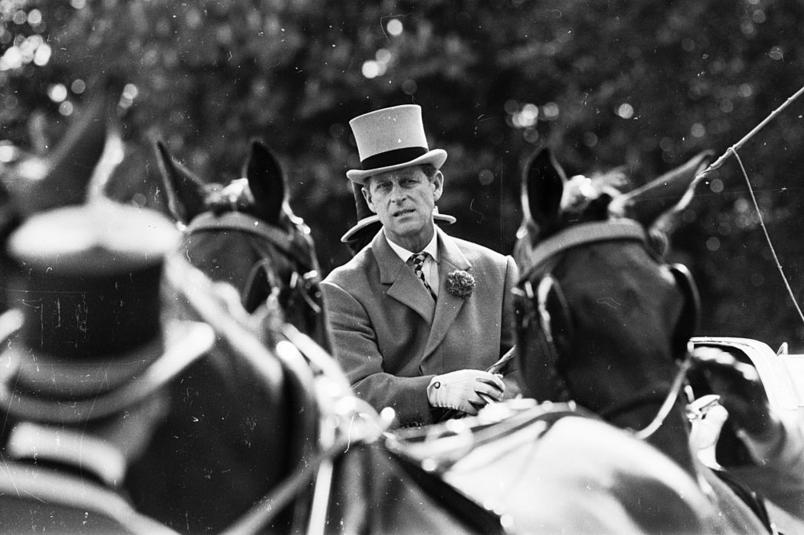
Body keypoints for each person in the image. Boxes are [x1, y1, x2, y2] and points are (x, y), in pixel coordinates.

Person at [321, 104, 519, 427]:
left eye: (408, 181)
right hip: (406, 466)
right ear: (370, 201)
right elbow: (356, 391)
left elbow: (526, 368)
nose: (397, 197)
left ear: (436, 185)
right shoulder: (343, 289)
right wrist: (435, 391)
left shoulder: (498, 270)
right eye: (383, 187)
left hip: (493, 448)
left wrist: (494, 400)